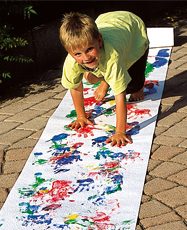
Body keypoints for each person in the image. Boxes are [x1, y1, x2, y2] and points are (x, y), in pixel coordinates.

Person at [59, 11, 149, 147]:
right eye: (78, 54)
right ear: (70, 53)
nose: (86, 57)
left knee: (133, 87)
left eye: (90, 49)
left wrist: (119, 131)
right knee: (93, 74)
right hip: (107, 21)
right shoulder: (71, 61)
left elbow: (120, 94)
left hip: (133, 31)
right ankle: (106, 79)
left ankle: (117, 82)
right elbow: (75, 87)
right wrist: (81, 116)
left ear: (99, 41)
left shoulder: (113, 56)